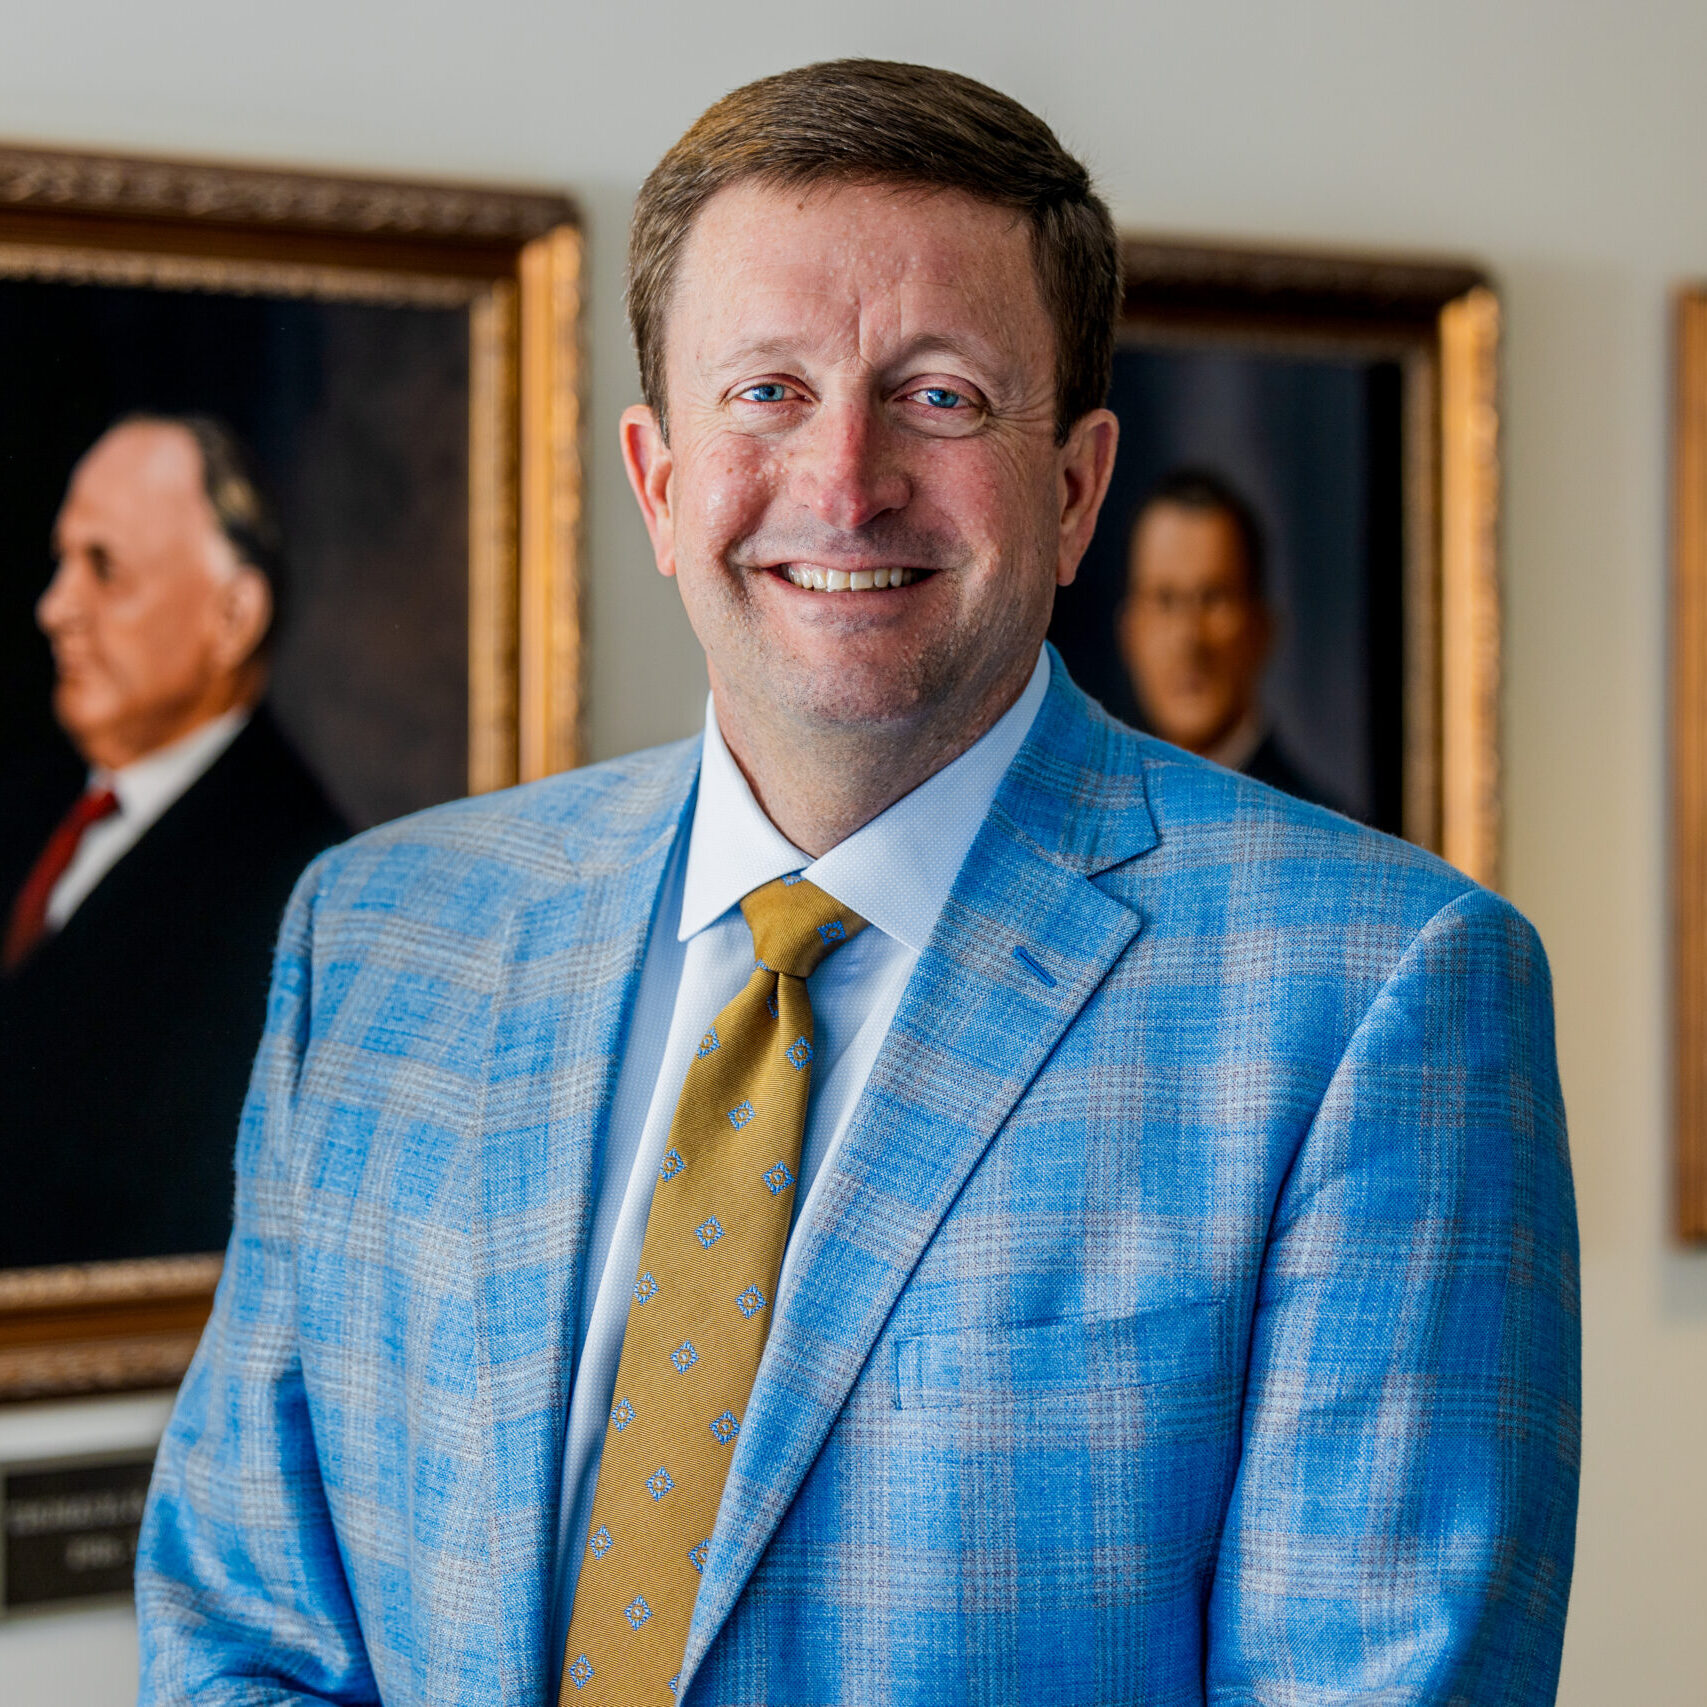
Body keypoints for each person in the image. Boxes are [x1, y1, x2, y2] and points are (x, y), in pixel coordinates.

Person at [137, 60, 1578, 1707]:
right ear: (657, 477)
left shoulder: (1379, 996)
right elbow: (242, 1638)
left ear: (1074, 484)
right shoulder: (382, 939)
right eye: (765, 392)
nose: (843, 481)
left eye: (942, 396)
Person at [0, 416, 347, 1267]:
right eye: (61, 561)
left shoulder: (297, 885)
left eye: (104, 569)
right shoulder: (30, 802)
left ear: (232, 617)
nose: (54, 609)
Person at [1119, 466, 1339, 808]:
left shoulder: (1326, 843)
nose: (1188, 637)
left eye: (1214, 599)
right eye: (1165, 600)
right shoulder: (1087, 827)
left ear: (1261, 630)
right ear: (1130, 631)